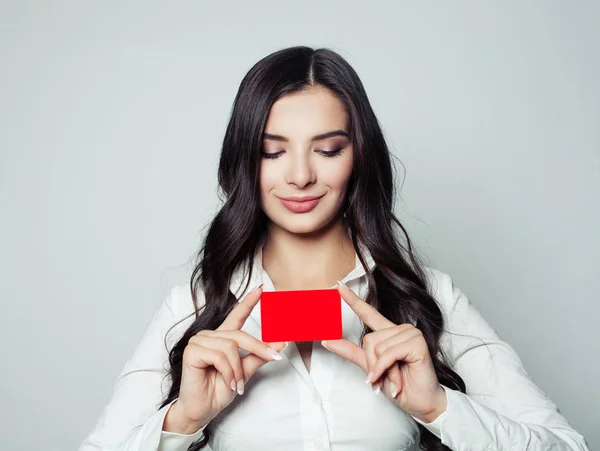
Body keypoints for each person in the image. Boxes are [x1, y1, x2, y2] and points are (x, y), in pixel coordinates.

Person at [79, 46, 589, 451]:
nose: (300, 175)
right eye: (272, 152)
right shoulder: (194, 306)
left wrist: (440, 409)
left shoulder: (428, 298)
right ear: (243, 162)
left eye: (327, 150)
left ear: (358, 157)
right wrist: (183, 421)